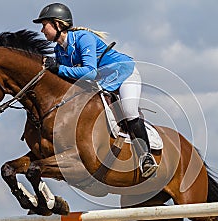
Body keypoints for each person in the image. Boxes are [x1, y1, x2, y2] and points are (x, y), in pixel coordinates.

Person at [33, 3, 158, 178]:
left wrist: (58, 69)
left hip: (123, 74)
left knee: (129, 111)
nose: (42, 30)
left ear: (57, 24)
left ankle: (146, 157)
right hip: (101, 82)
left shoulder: (83, 38)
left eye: (44, 25)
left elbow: (89, 72)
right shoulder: (59, 50)